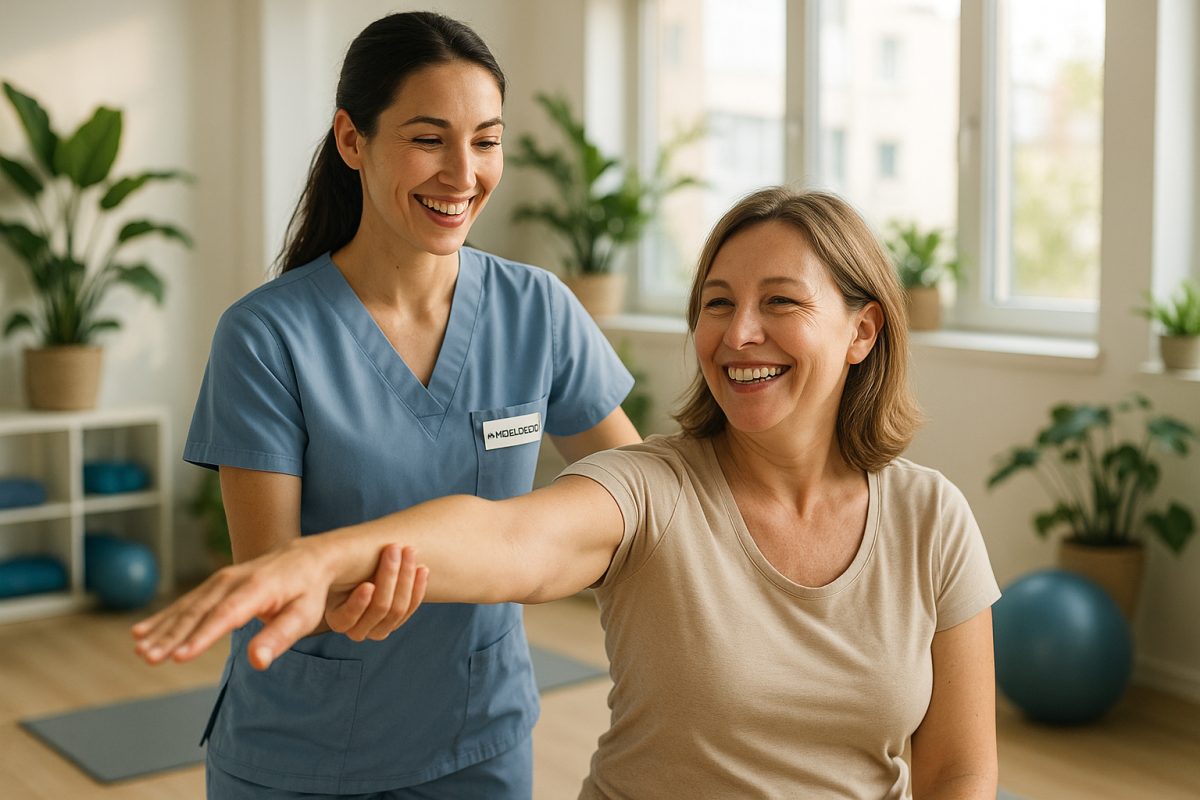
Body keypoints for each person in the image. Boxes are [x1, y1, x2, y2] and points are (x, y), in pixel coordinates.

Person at [138, 188, 1000, 799]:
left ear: (863, 328)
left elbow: (959, 769)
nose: (739, 334)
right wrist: (312, 560)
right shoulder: (651, 489)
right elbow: (507, 536)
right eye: (715, 302)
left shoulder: (932, 519)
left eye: (779, 302)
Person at [177, 10, 640, 798]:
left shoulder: (539, 310)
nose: (463, 174)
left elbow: (638, 501)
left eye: (486, 140)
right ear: (352, 141)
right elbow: (271, 574)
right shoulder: (265, 336)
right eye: (429, 139)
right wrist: (346, 594)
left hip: (478, 742)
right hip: (300, 754)